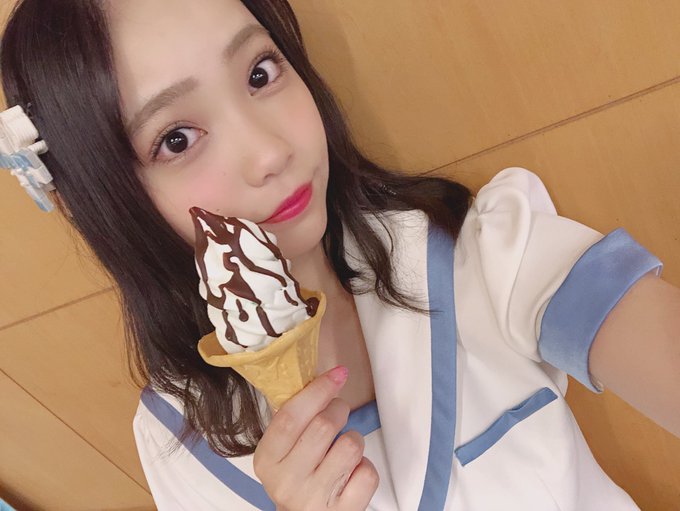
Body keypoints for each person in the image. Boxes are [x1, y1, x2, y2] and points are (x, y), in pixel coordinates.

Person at [1, 0, 678, 509]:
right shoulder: (178, 440)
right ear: (111, 199)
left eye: (261, 72)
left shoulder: (481, 252)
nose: (270, 152)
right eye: (176, 139)